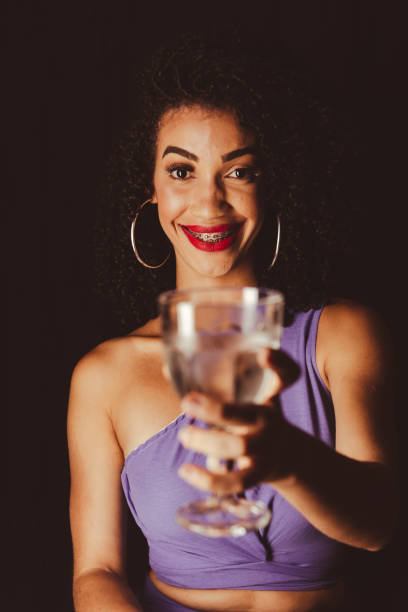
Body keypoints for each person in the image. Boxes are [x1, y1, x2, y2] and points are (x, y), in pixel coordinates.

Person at [68, 33, 398, 612]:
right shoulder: (105, 374)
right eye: (180, 171)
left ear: (271, 186)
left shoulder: (343, 336)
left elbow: (377, 525)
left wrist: (288, 460)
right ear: (148, 189)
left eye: (238, 171)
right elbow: (95, 571)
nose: (209, 202)